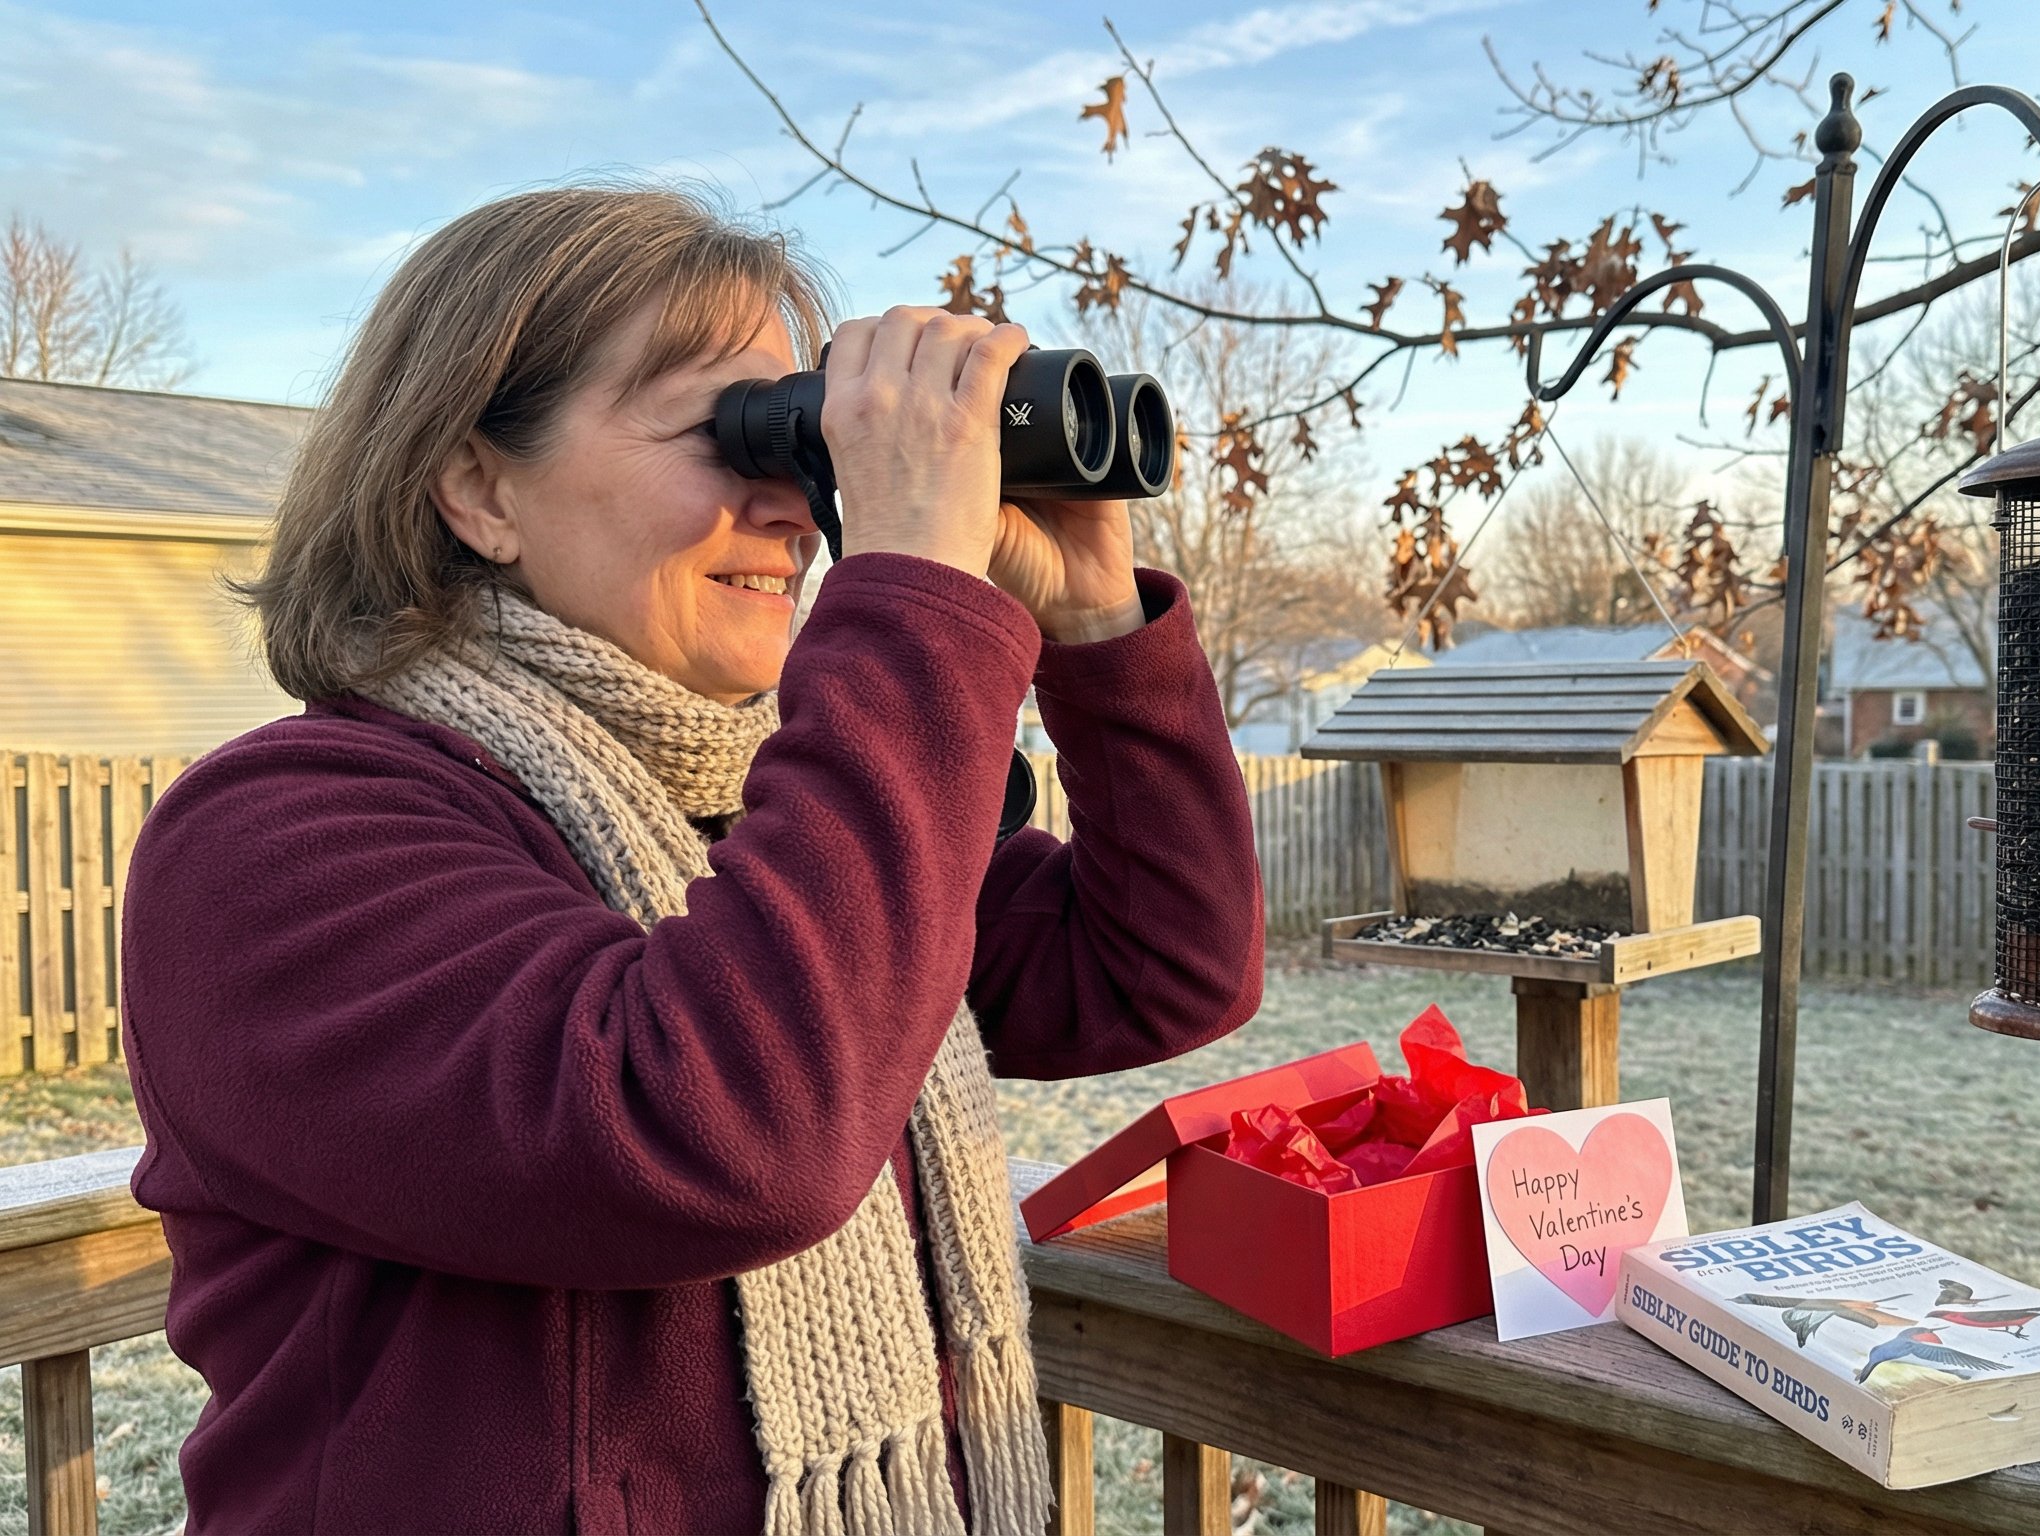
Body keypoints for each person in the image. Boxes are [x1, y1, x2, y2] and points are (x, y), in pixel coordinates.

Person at [117, 184, 1265, 1535]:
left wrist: (1089, 622)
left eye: (811, 432)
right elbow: (730, 1131)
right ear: (479, 486)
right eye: (737, 435)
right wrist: (914, 598)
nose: (797, 501)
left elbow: (1160, 964)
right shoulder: (275, 842)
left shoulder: (766, 810)